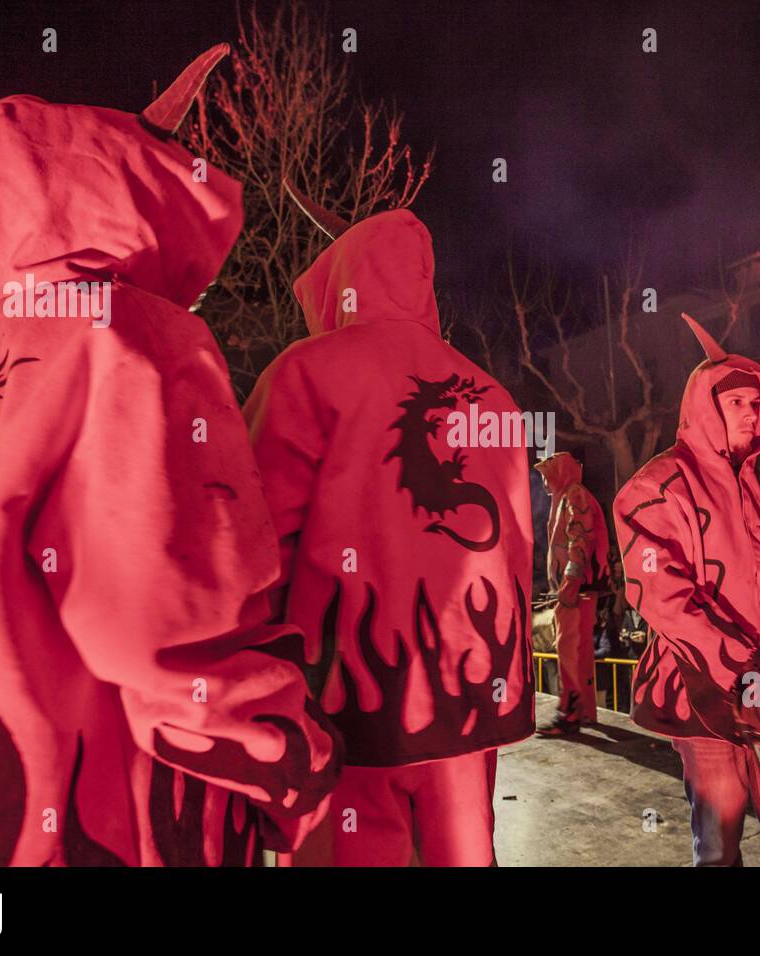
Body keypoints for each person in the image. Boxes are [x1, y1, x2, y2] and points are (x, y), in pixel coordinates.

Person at [0, 46, 340, 866]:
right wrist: (296, 773)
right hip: (83, 817)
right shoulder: (135, 337)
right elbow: (175, 633)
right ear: (150, 202)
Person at [243, 203, 534, 866]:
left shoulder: (308, 371)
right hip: (470, 701)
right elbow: (516, 549)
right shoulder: (495, 396)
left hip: (354, 705)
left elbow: (258, 547)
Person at [613, 314, 760, 866]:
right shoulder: (655, 487)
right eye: (736, 403)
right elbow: (659, 593)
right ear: (705, 406)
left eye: (755, 402)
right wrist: (744, 663)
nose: (750, 412)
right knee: (720, 843)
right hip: (704, 690)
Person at [534, 452, 609, 734]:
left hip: (575, 592)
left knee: (569, 650)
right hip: (579, 590)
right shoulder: (571, 494)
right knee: (579, 652)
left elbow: (581, 540)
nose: (543, 482)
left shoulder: (573, 495)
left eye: (546, 474)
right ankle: (584, 712)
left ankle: (570, 714)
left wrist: (568, 585)